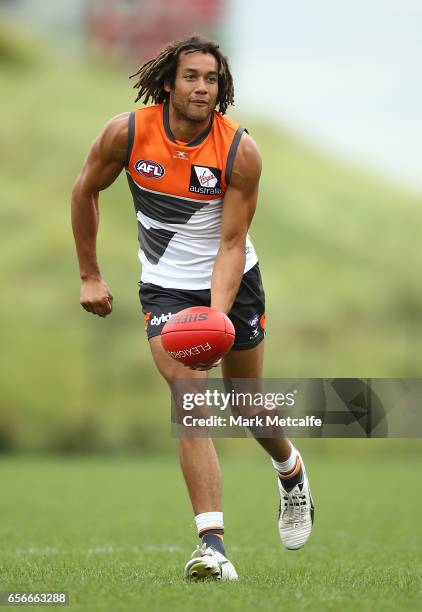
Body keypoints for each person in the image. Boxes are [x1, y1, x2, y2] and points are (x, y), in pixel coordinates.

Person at [71, 35, 314, 581]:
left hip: (232, 283)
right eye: (191, 77)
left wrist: (217, 317)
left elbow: (231, 244)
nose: (202, 87)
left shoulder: (238, 151)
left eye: (211, 79)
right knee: (190, 402)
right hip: (164, 288)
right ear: (168, 83)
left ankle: (290, 470)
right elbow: (84, 189)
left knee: (246, 406)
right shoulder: (127, 133)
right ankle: (213, 547)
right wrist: (90, 273)